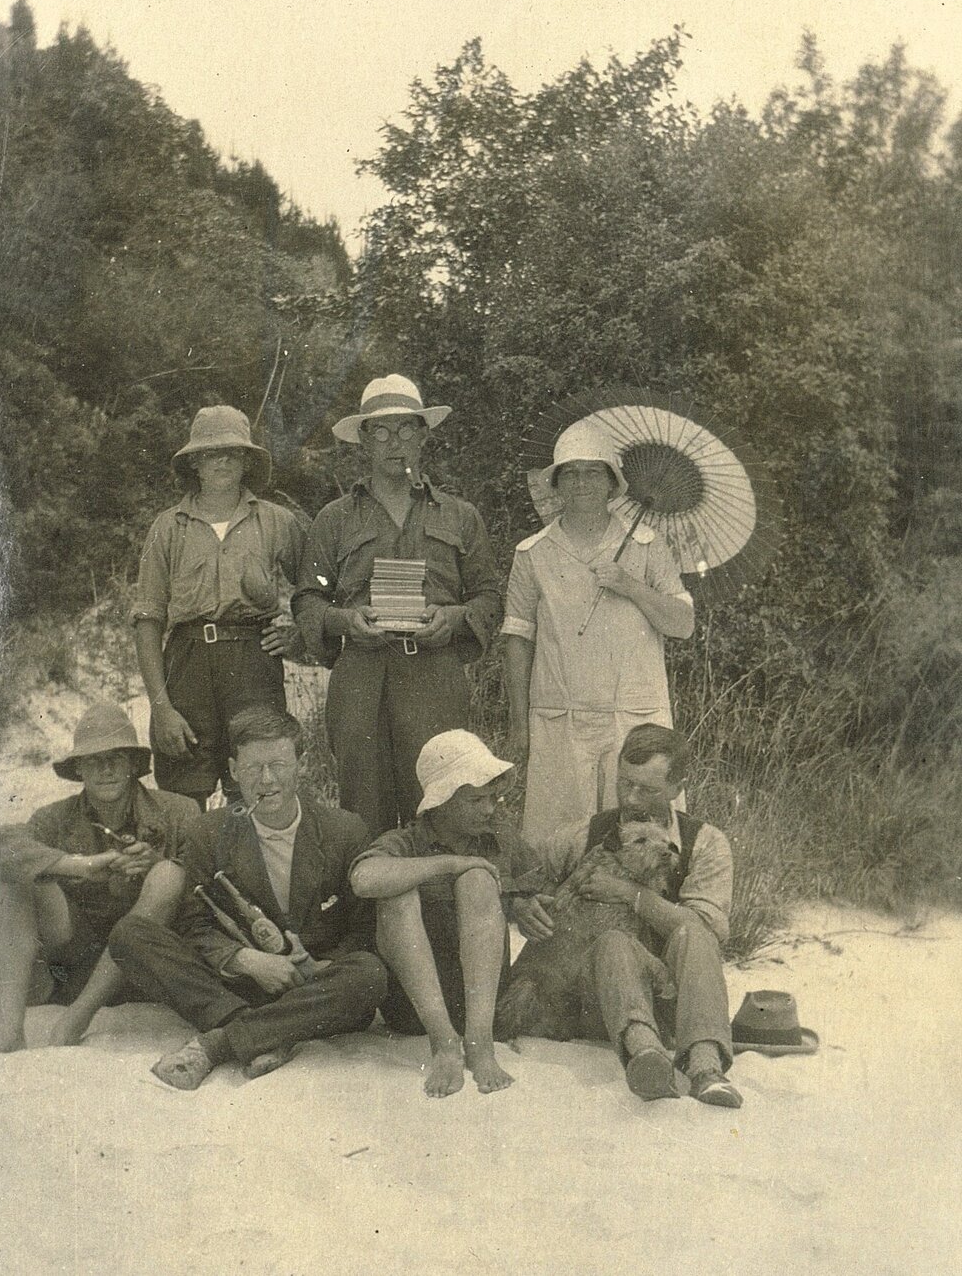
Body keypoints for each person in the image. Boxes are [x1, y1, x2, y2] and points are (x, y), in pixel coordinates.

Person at [108, 704, 386, 1089]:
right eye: (253, 768)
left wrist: (320, 967)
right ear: (234, 771)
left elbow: (364, 927)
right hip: (239, 985)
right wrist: (244, 960)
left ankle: (220, 1041)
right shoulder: (210, 831)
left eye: (279, 765)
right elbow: (193, 923)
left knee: (369, 973)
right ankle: (269, 1034)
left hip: (312, 986)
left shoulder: (345, 830)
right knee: (129, 935)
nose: (267, 780)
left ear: (300, 765)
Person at [293, 375, 502, 835]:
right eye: (382, 431)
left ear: (424, 435)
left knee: (443, 805)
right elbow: (308, 599)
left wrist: (454, 618)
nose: (395, 443)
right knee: (363, 811)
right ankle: (369, 905)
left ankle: (441, 902)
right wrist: (345, 620)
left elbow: (489, 596)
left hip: (435, 677)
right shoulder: (333, 519)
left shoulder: (460, 516)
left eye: (406, 429)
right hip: (361, 679)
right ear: (363, 440)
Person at [511, 723, 742, 1108]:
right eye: (624, 783)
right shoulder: (584, 834)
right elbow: (521, 877)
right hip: (595, 1001)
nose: (631, 799)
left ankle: (706, 1067)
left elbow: (708, 931)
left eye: (647, 789)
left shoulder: (707, 843)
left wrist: (631, 896)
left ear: (676, 788)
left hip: (671, 1003)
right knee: (614, 941)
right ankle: (644, 1055)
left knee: (693, 933)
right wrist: (520, 905)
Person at [502, 421, 694, 843]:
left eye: (594, 472)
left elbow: (682, 624)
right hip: (560, 716)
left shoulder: (647, 546)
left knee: (641, 838)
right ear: (555, 483)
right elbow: (518, 639)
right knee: (557, 839)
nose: (582, 482)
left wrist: (630, 585)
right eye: (570, 472)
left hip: (634, 718)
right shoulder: (533, 554)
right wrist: (519, 722)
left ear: (612, 483)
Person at [0, 701, 196, 1051]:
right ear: (79, 768)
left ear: (133, 765)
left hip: (148, 967)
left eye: (115, 758)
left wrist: (154, 866)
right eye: (93, 760)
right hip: (75, 964)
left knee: (169, 875)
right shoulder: (53, 818)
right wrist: (77, 865)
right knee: (18, 877)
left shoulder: (178, 811)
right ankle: (9, 1031)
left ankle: (78, 1018)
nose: (105, 769)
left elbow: (205, 885)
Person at [350, 729, 540, 1098]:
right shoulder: (405, 841)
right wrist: (450, 863)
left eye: (491, 798)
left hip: (484, 1002)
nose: (488, 808)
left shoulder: (498, 836)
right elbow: (364, 878)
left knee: (478, 879)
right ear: (441, 801)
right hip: (415, 1007)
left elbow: (538, 885)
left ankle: (479, 1044)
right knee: (398, 892)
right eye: (475, 800)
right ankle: (444, 1044)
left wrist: (521, 902)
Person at [133, 405, 306, 808]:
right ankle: (188, 870)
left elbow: (316, 590)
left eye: (233, 451)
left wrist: (297, 637)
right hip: (187, 664)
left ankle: (247, 870)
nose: (223, 460)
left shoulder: (277, 522)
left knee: (256, 784)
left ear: (247, 460)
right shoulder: (167, 527)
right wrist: (161, 708)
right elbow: (147, 620)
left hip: (253, 664)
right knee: (181, 790)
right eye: (212, 452)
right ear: (194, 461)